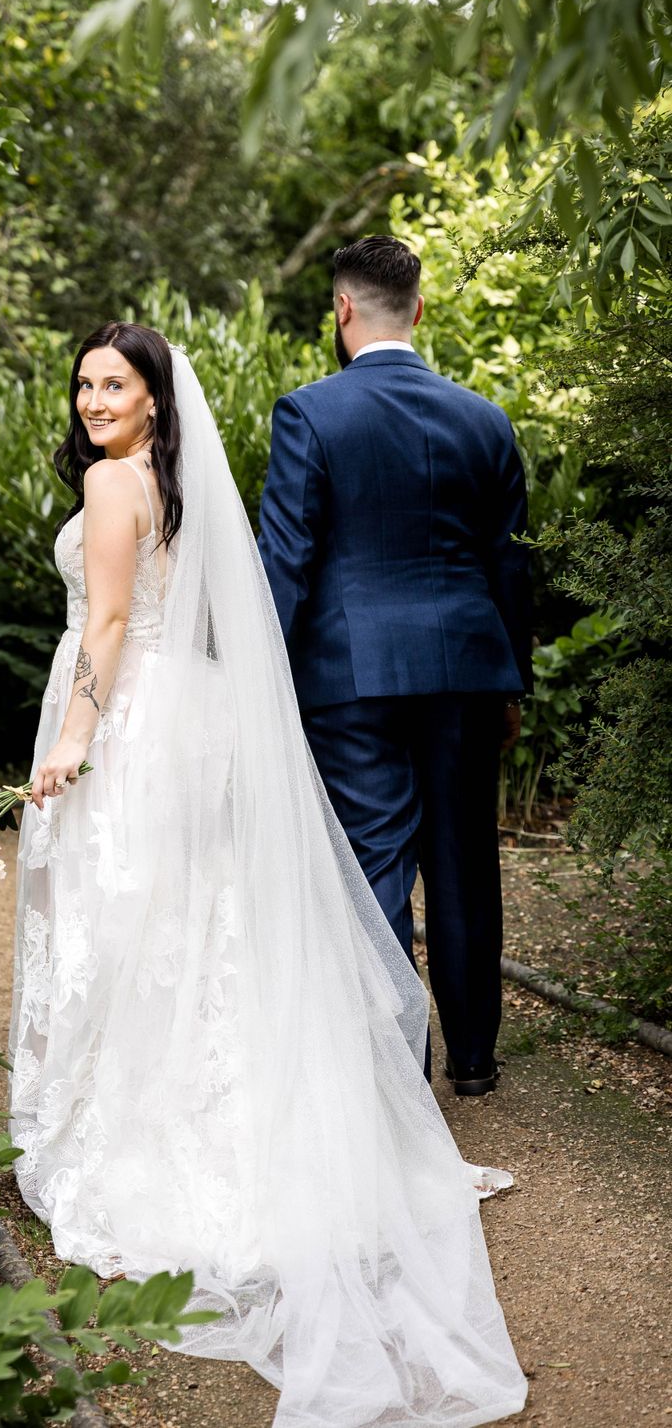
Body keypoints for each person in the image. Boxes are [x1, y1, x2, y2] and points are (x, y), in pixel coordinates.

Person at [9, 320, 528, 1427]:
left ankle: (140, 1137)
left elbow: (109, 621)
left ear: (155, 400)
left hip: (130, 724)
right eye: (84, 384)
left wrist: (72, 740)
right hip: (185, 717)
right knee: (193, 927)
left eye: (115, 384)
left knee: (133, 927)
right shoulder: (168, 479)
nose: (93, 400)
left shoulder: (110, 482)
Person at [259, 237, 532, 1097]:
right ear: (418, 308)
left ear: (342, 309)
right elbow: (510, 566)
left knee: (376, 859)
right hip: (468, 673)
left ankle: (395, 1076)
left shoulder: (310, 414)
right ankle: (474, 1061)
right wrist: (513, 682)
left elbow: (285, 562)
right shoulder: (486, 420)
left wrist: (258, 679)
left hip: (352, 676)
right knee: (464, 862)